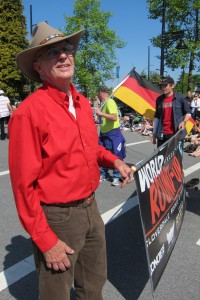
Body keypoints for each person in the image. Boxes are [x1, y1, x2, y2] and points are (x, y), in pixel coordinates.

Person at [8, 21, 134, 300]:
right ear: (39, 67)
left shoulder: (82, 103)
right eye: (53, 53)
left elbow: (91, 149)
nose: (64, 55)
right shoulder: (28, 113)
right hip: (58, 218)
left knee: (93, 285)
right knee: (56, 294)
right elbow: (23, 187)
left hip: (91, 207)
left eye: (66, 49)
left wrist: (115, 161)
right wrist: (45, 240)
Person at [95, 86, 126, 186]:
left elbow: (114, 117)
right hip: (104, 133)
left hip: (113, 134)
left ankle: (116, 177)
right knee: (103, 154)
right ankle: (104, 174)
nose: (97, 95)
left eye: (97, 93)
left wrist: (101, 113)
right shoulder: (103, 103)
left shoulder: (110, 102)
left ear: (101, 92)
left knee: (116, 154)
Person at [151, 76, 191, 147]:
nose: (163, 88)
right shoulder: (159, 99)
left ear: (172, 86)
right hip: (162, 134)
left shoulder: (180, 98)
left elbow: (188, 113)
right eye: (162, 86)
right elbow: (157, 117)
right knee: (161, 157)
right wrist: (154, 133)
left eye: (165, 85)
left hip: (176, 134)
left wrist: (184, 122)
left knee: (174, 158)